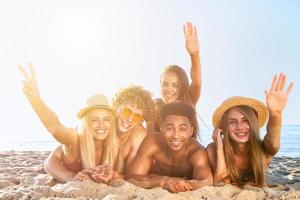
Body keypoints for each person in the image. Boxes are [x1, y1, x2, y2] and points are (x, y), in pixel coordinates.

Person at [19, 63, 121, 183]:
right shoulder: (75, 138)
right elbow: (55, 127)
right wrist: (36, 100)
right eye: (94, 120)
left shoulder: (113, 145)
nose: (101, 124)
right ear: (86, 123)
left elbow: (124, 175)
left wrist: (114, 176)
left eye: (106, 119)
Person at [45, 85, 156, 182]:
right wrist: (70, 177)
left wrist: (117, 177)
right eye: (127, 111)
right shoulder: (99, 126)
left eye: (137, 117)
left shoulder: (137, 136)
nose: (130, 119)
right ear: (117, 107)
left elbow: (132, 177)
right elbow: (51, 160)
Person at [207, 73, 293, 187]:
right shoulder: (213, 149)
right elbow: (220, 183)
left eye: (245, 120)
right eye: (232, 122)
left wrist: (276, 114)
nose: (240, 127)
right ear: (224, 127)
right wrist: (219, 149)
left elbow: (273, 139)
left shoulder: (264, 149)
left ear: (253, 122)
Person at [126, 101, 213, 193]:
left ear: (191, 131)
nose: (175, 135)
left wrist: (186, 184)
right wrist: (165, 181)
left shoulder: (197, 152)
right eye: (169, 128)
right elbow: (131, 177)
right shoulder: (152, 142)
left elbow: (206, 181)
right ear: (161, 128)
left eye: (182, 129)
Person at [147, 22, 202, 133]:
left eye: (175, 85)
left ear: (182, 87)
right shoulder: (155, 105)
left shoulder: (188, 101)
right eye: (165, 84)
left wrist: (194, 55)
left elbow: (196, 82)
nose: (169, 89)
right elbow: (149, 139)